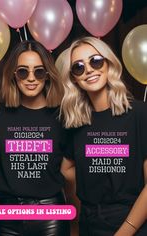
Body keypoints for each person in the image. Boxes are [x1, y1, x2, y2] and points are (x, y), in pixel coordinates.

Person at [59, 36, 147, 236]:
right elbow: (66, 170)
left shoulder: (140, 114)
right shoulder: (76, 122)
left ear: (108, 64)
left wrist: (126, 230)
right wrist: (97, 176)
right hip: (90, 224)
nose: (89, 69)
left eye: (95, 61)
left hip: (133, 223)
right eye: (79, 67)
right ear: (74, 78)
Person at [0, 40, 70, 236]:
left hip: (51, 216)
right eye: (22, 71)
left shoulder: (63, 117)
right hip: (8, 215)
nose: (31, 78)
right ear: (13, 74)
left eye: (38, 71)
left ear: (47, 75)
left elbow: (71, 173)